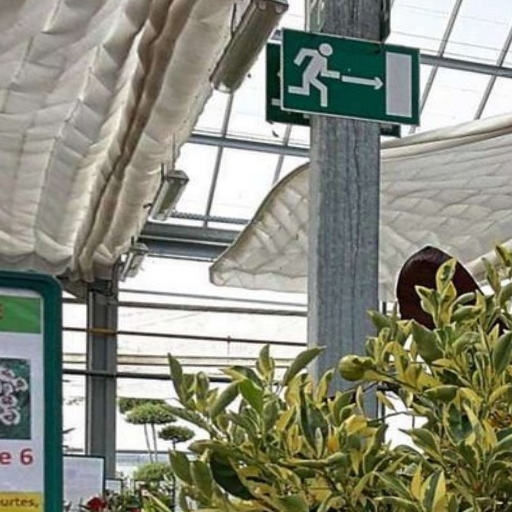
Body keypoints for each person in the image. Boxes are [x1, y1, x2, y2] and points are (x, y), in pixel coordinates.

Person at [288, 43, 339, 108]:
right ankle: (323, 105)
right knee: (322, 89)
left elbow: (324, 72)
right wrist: (298, 61)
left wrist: (335, 74)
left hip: (311, 76)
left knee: (310, 89)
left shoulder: (324, 60)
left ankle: (323, 104)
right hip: (308, 75)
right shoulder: (315, 53)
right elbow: (304, 52)